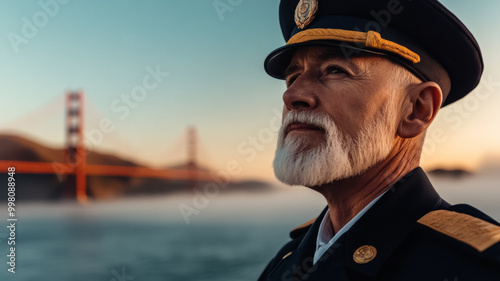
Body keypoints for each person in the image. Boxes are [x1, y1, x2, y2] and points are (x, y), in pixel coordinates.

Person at [258, 0, 500, 280]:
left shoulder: (478, 269)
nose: (292, 95)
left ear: (416, 109)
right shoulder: (287, 259)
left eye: (335, 69)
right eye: (293, 77)